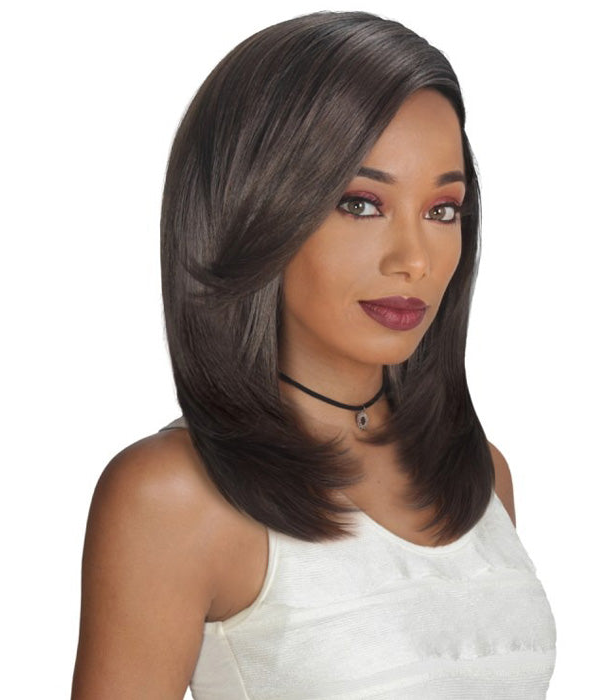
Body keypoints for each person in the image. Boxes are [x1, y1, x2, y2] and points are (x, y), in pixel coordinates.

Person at [71, 11, 556, 699]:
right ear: (254, 209)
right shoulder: (172, 496)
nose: (415, 260)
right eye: (361, 204)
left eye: (442, 209)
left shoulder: (480, 475)